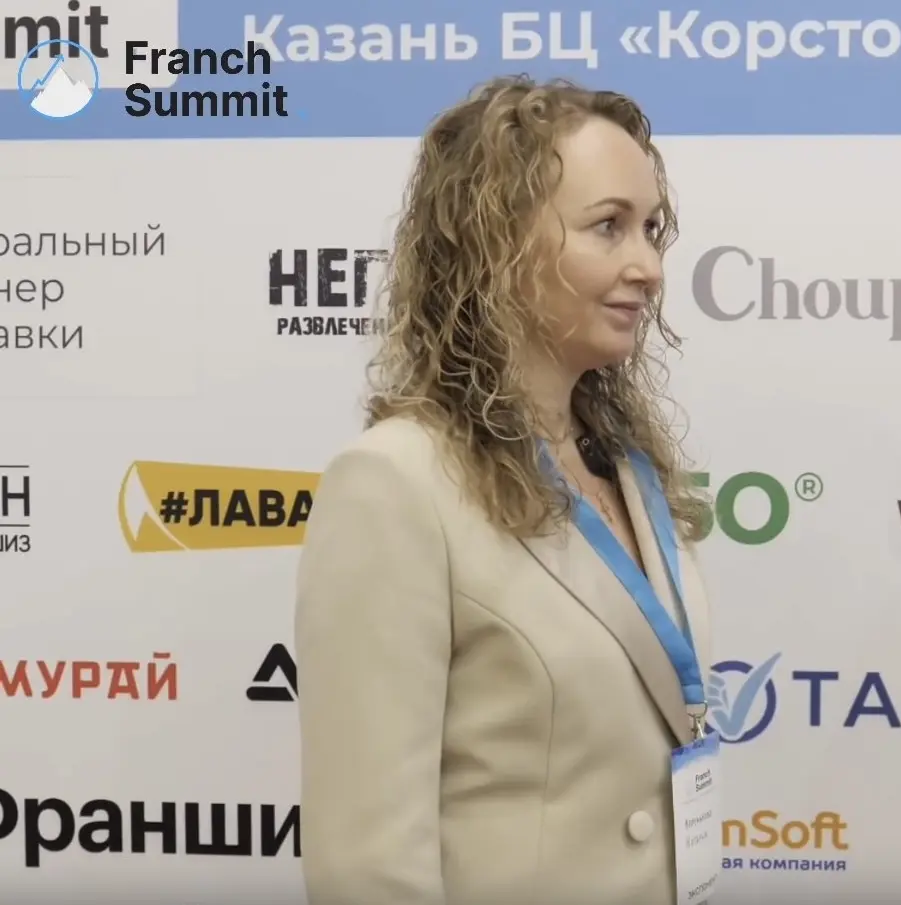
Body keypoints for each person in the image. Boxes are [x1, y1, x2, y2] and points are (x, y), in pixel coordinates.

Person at [294, 75, 718, 905]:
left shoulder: (628, 468)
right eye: (608, 226)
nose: (648, 267)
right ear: (497, 245)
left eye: (652, 229)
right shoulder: (395, 485)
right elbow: (368, 869)